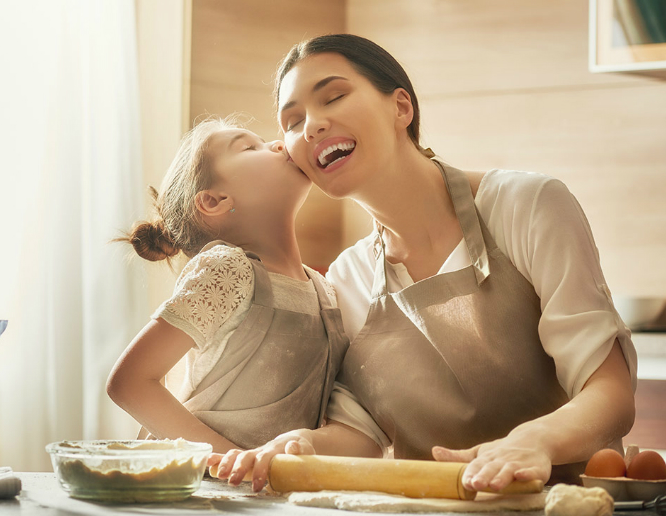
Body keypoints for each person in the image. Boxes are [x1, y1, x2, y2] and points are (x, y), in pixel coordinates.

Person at [212, 34, 637, 493]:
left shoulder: (527, 206)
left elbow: (610, 393)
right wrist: (301, 444)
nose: (311, 126)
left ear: (401, 108)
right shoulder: (349, 276)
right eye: (292, 122)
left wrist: (533, 442)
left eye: (333, 97)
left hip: (565, 501)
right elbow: (362, 432)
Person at [106, 116, 349, 454]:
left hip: (278, 483)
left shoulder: (326, 291)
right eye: (250, 147)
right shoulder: (228, 268)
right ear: (214, 201)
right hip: (205, 482)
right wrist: (230, 462)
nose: (278, 143)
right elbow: (129, 383)